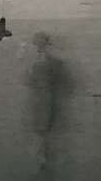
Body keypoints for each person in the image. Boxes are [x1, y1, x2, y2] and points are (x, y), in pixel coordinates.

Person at [27, 30, 73, 170]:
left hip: (47, 99)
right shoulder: (47, 60)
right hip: (47, 99)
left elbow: (34, 80)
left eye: (37, 43)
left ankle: (45, 157)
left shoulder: (46, 61)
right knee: (47, 130)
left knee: (45, 129)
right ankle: (46, 156)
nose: (36, 45)